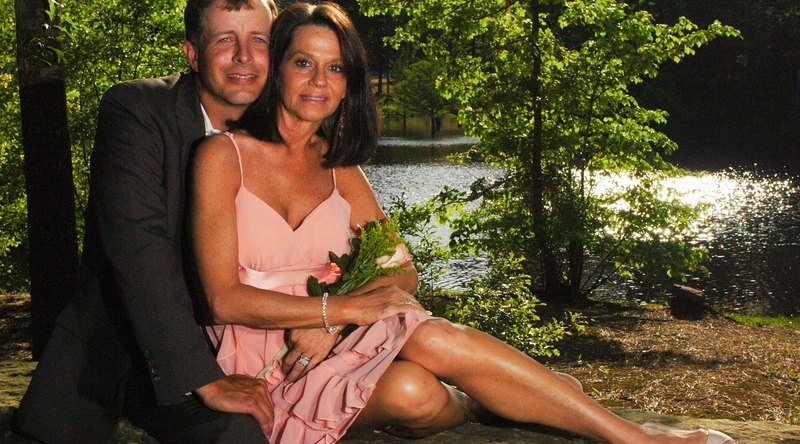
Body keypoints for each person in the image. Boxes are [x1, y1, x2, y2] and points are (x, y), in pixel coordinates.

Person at [189, 2, 738, 443]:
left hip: (337, 339)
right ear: (277, 67)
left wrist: (332, 322)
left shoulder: (341, 169)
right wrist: (338, 310)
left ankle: (630, 438)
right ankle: (501, 401)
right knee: (415, 395)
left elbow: (403, 272)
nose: (319, 81)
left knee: (428, 345)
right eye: (303, 62)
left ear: (349, 83)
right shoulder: (222, 157)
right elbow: (223, 300)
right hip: (264, 367)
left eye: (336, 68)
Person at [13, 1, 279, 443]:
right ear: (192, 54)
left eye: (259, 40)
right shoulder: (137, 109)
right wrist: (204, 379)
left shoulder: (288, 129)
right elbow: (139, 249)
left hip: (261, 351)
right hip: (138, 358)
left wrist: (326, 323)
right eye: (225, 40)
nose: (244, 56)